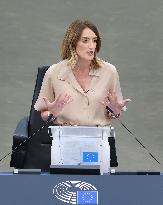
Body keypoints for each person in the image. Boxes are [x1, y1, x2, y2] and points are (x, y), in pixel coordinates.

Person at [34, 19, 131, 126]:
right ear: (72, 43)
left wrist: (115, 112)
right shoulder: (54, 72)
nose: (91, 46)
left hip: (98, 137)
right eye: (85, 41)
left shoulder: (109, 72)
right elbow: (43, 113)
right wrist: (51, 113)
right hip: (65, 136)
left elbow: (114, 114)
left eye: (94, 40)